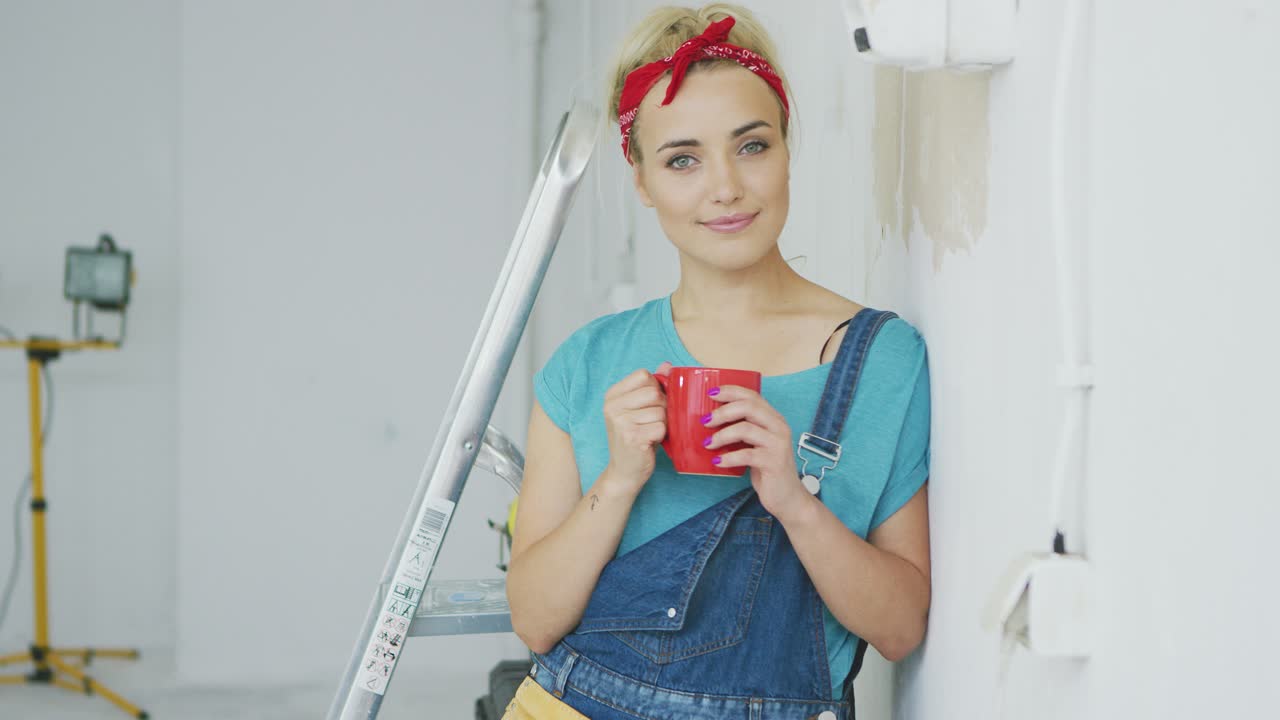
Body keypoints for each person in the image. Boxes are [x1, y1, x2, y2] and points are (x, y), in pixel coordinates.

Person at [504, 5, 931, 718]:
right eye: (682, 160)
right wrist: (620, 478)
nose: (725, 187)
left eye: (752, 146)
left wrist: (794, 500)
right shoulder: (590, 362)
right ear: (642, 182)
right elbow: (535, 620)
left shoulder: (885, 361)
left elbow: (898, 628)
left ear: (788, 151)